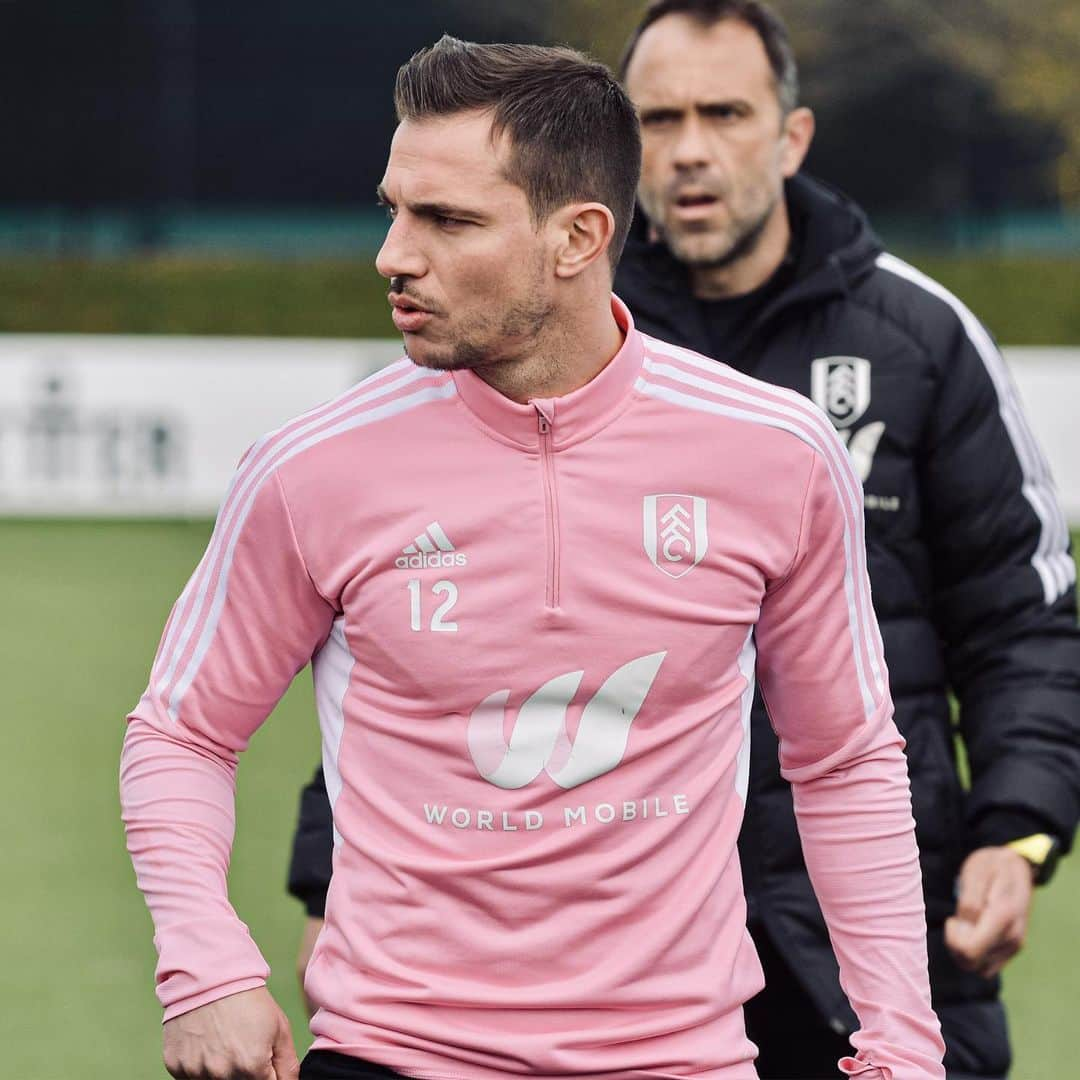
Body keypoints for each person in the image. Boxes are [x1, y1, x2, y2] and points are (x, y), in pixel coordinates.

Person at [122, 34, 947, 1080]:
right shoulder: (310, 469)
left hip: (683, 1062)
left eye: (448, 220)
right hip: (392, 1056)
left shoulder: (775, 453)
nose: (394, 255)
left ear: (579, 237)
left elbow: (845, 759)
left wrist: (905, 1044)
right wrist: (207, 965)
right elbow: (183, 729)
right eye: (394, 210)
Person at [287, 4, 1080, 1079]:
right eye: (660, 118)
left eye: (727, 113)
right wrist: (327, 881)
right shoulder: (526, 330)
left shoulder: (922, 340)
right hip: (605, 959)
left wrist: (1016, 829)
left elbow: (1022, 616)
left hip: (856, 934)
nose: (692, 149)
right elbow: (412, 650)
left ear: (791, 136)